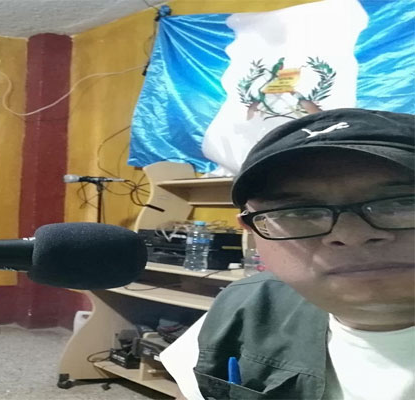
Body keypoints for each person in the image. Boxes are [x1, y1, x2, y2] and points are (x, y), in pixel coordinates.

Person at [159, 108, 414, 399]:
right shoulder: (244, 310)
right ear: (253, 232)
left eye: (402, 203)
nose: (350, 235)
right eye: (299, 212)